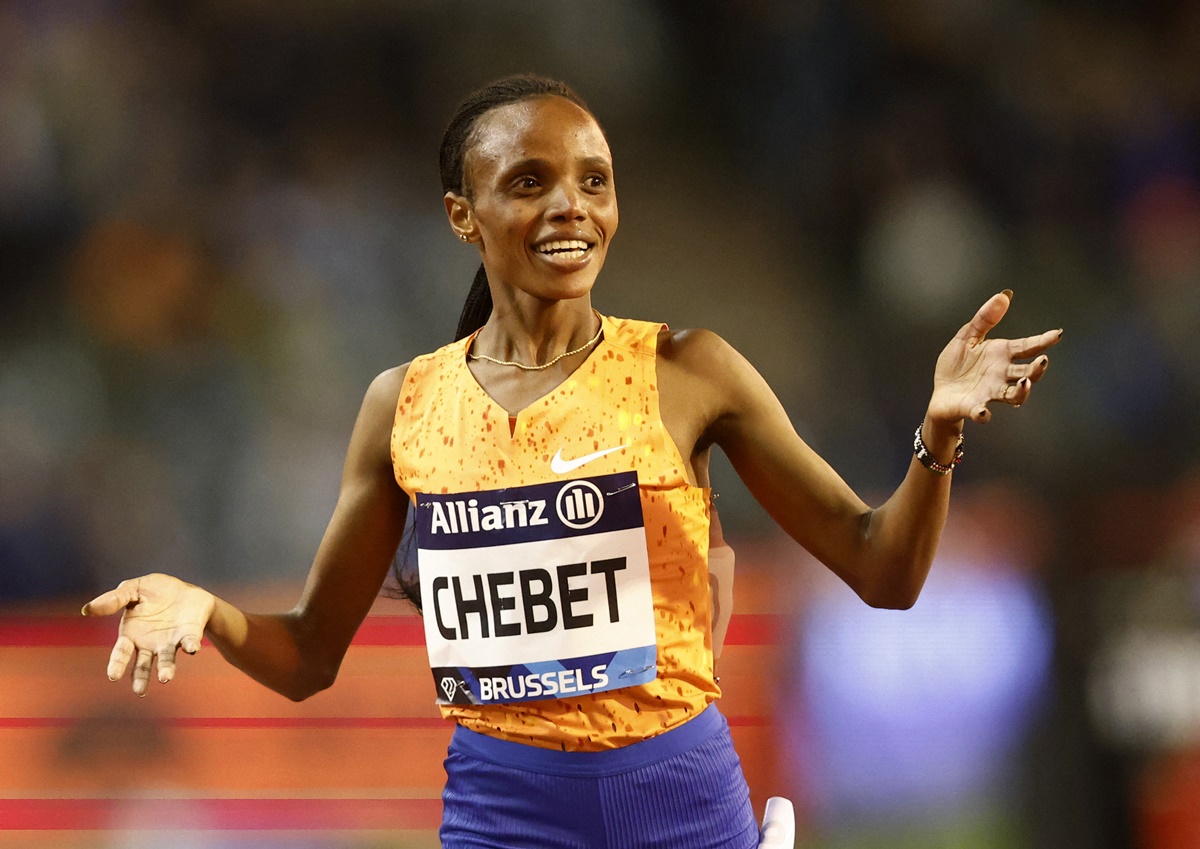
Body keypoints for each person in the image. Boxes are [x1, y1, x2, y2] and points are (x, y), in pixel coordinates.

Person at [82, 74, 1061, 848]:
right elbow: (306, 659)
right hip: (505, 818)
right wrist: (202, 608)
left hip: (679, 810)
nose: (572, 207)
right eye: (529, 181)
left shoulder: (690, 371)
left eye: (594, 179)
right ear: (464, 216)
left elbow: (883, 571)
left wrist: (937, 434)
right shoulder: (403, 407)